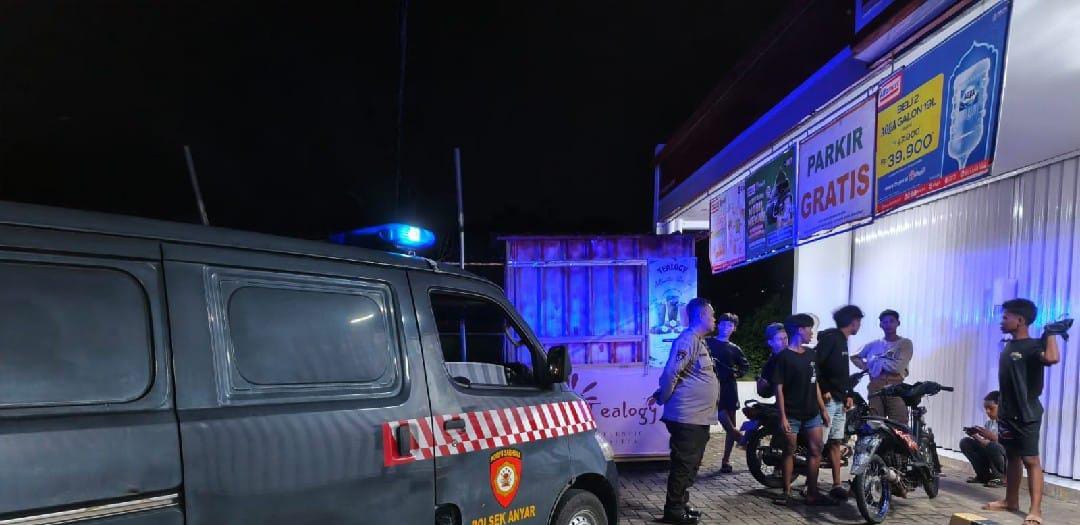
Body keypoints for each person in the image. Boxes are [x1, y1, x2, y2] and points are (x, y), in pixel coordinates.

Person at [983, 299, 1069, 525]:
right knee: (1012, 456)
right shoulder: (1009, 345)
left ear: (1020, 320)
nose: (1002, 321)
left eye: (1006, 317)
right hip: (1007, 413)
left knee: (1031, 460)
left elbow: (1052, 358)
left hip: (1027, 414)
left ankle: (1035, 511)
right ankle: (1010, 501)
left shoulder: (1033, 346)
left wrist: (1051, 333)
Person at [656, 298, 720, 525]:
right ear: (701, 316)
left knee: (691, 463)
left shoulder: (698, 341)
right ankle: (673, 510)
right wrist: (663, 397)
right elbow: (670, 373)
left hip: (697, 417)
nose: (715, 320)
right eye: (712, 316)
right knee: (684, 464)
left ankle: (681, 503)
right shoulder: (687, 340)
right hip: (687, 416)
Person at [772, 313, 832, 506]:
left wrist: (823, 410)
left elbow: (815, 384)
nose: (812, 333)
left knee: (816, 450)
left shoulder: (811, 355)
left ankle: (812, 492)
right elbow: (778, 388)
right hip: (792, 414)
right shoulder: (783, 357)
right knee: (789, 451)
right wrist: (783, 417)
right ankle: (786, 491)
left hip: (812, 413)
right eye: (809, 329)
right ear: (799, 330)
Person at [815, 304, 863, 501]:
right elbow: (816, 366)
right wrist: (825, 389)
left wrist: (848, 394)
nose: (859, 324)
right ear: (852, 321)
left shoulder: (843, 340)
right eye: (858, 320)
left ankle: (836, 485)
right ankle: (811, 488)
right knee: (818, 445)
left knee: (836, 442)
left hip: (839, 402)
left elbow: (842, 373)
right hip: (828, 401)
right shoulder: (831, 338)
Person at [851, 309, 914, 426]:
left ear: (898, 323)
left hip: (895, 387)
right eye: (885, 322)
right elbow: (854, 356)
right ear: (880, 325)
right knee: (875, 423)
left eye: (891, 321)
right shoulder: (874, 344)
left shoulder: (905, 343)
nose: (888, 325)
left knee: (899, 423)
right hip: (875, 387)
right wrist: (867, 367)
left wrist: (877, 362)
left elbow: (897, 368)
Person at [707, 312, 749, 474]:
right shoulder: (707, 342)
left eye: (730, 325)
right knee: (725, 423)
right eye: (724, 324)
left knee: (731, 424)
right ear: (718, 325)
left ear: (734, 329)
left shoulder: (735, 348)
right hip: (711, 388)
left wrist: (737, 374)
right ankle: (746, 442)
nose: (726, 327)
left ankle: (726, 460)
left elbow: (744, 367)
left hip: (729, 389)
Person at [961, 391, 1006, 487]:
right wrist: (975, 436)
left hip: (1006, 459)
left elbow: (1007, 445)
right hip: (991, 453)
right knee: (965, 442)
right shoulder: (989, 423)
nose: (988, 411)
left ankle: (1001, 478)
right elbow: (985, 444)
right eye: (986, 409)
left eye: (991, 408)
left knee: (993, 446)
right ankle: (983, 475)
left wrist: (992, 437)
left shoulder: (1008, 423)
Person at [756, 322, 788, 398]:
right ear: (770, 342)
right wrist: (761, 384)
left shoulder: (795, 355)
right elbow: (764, 393)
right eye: (780, 339)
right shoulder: (769, 366)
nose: (784, 342)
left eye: (785, 338)